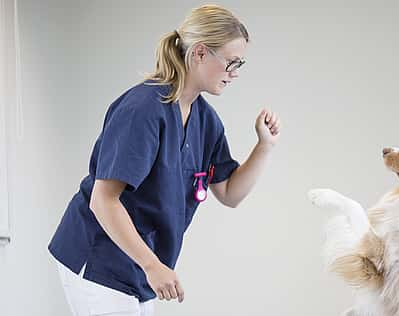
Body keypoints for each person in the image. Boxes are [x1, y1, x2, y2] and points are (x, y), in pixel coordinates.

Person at [48, 4, 280, 315]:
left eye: (240, 63)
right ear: (199, 53)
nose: (235, 72)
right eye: (230, 62)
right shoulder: (143, 109)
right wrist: (152, 265)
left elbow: (230, 193)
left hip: (142, 269)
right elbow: (103, 201)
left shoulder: (206, 121)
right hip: (100, 258)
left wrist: (264, 146)